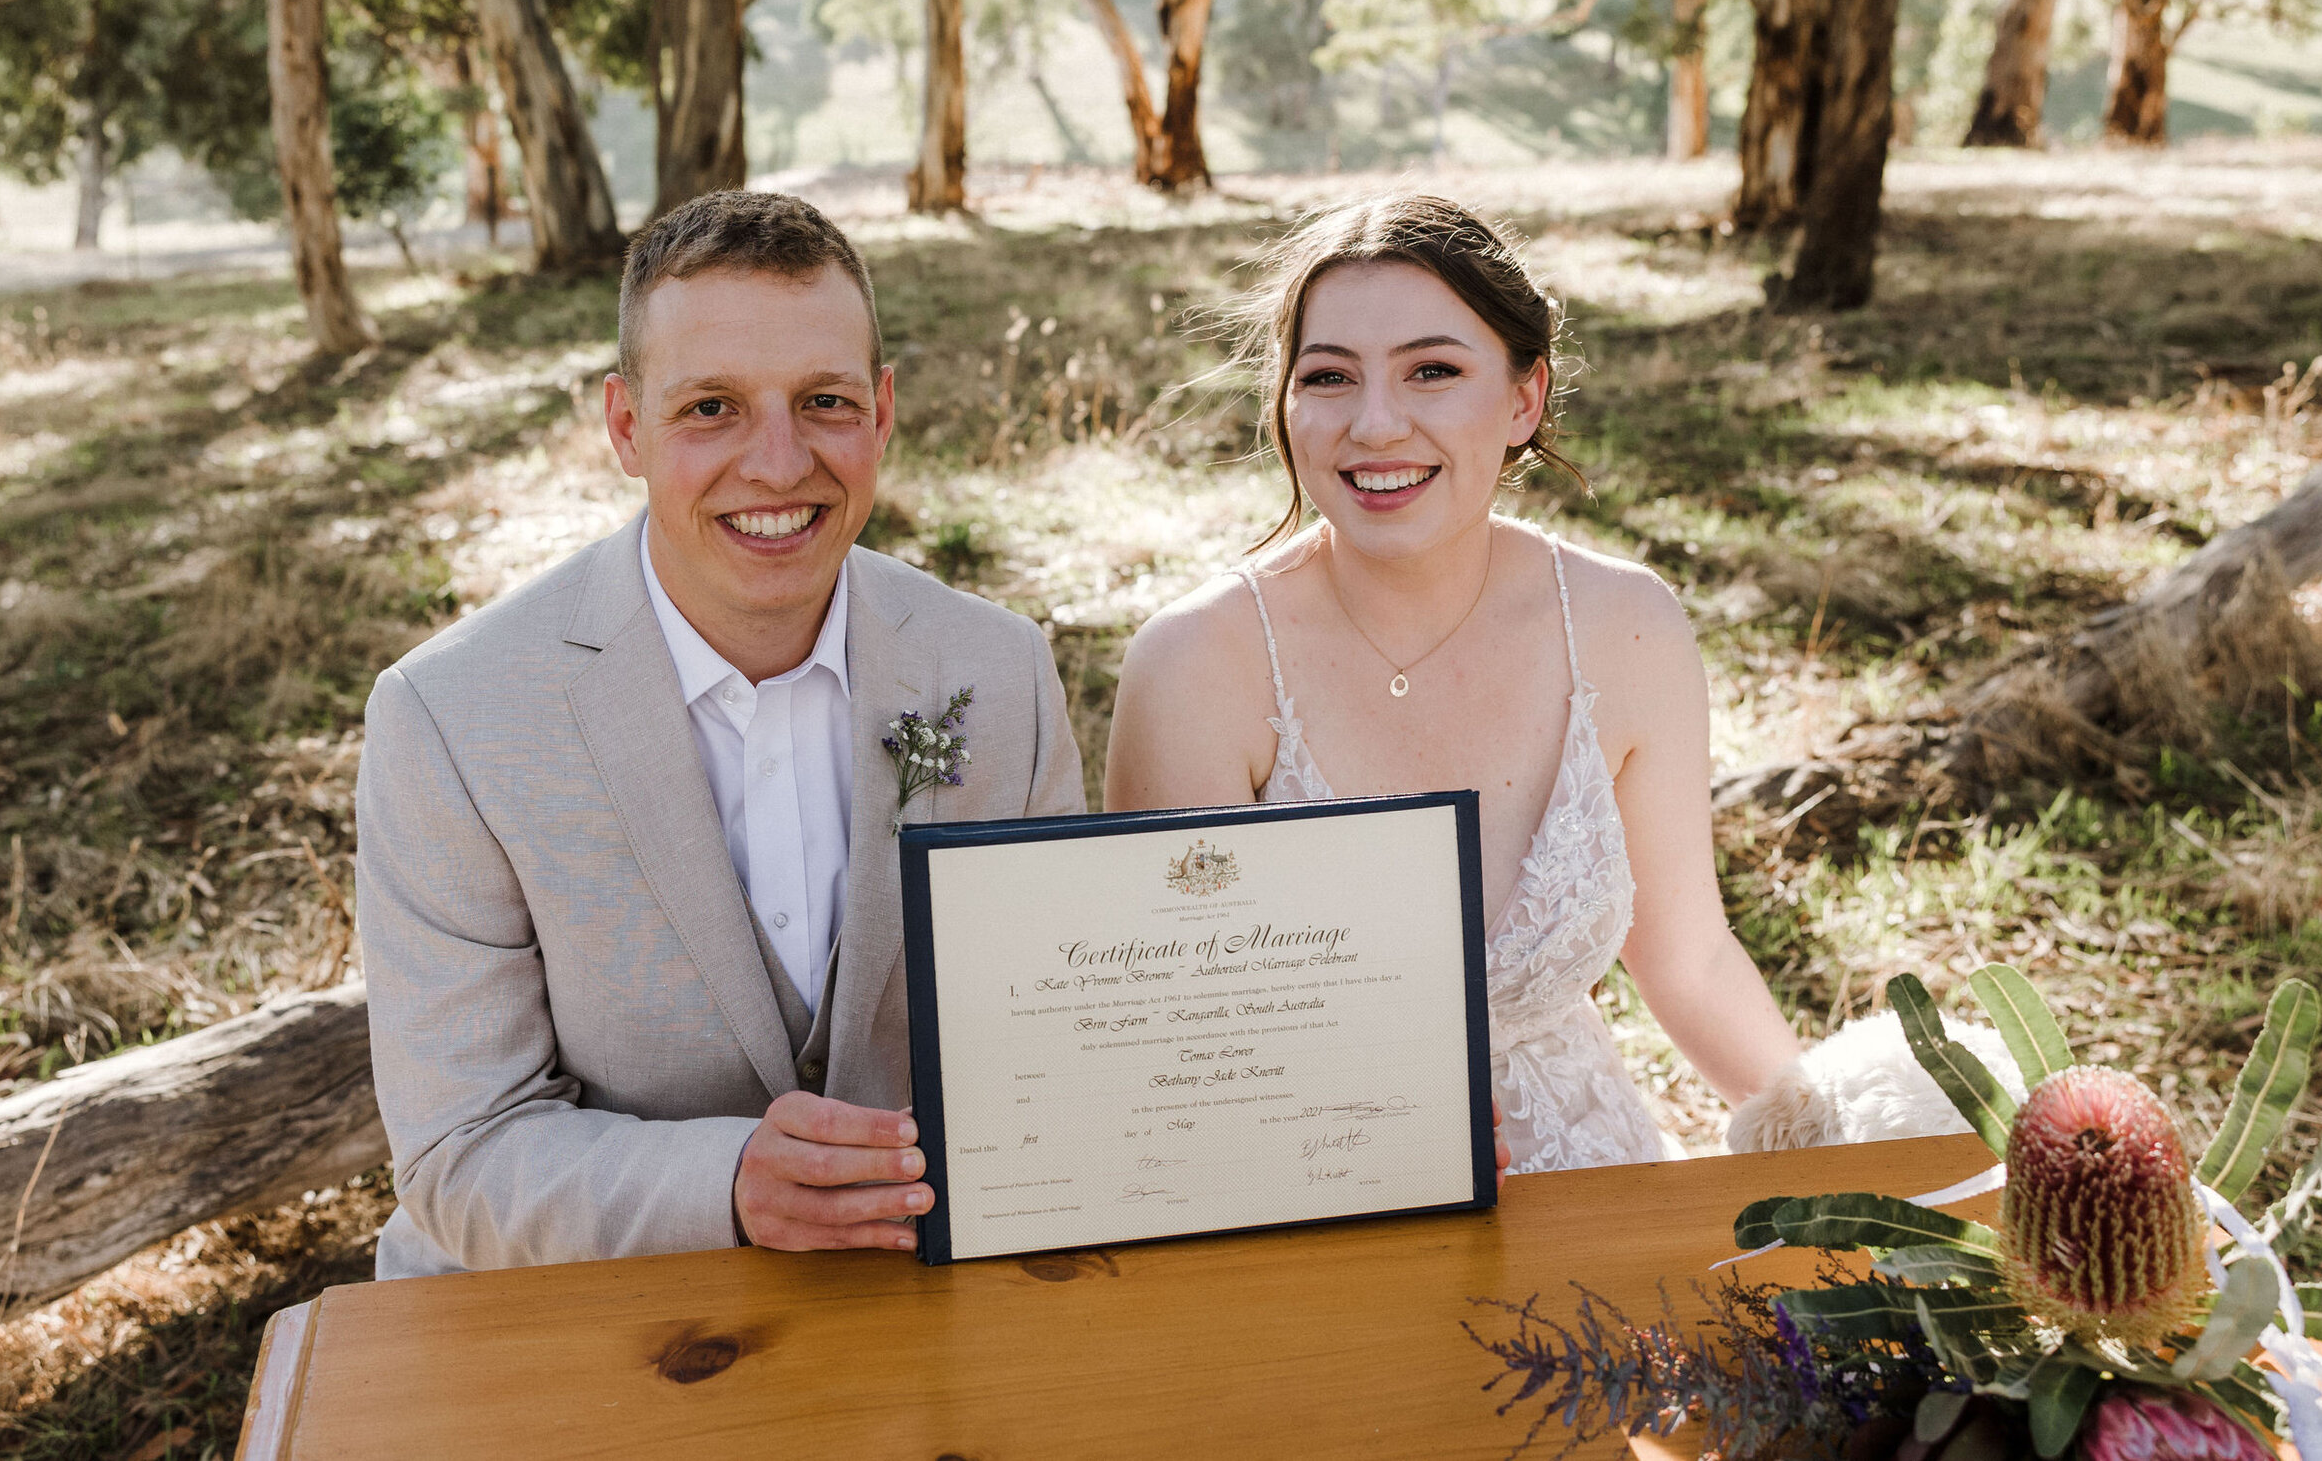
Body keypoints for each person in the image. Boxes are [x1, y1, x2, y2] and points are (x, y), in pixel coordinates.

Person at [356, 191, 1084, 1276]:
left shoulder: (996, 670)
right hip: (571, 1309)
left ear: (881, 412)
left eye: (824, 401)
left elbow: (1051, 1039)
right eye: (712, 408)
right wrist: (729, 1182)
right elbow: (463, 1150)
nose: (780, 462)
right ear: (624, 427)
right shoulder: (451, 718)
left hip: (912, 1282)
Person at [1104, 193, 1803, 1174]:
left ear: (1524, 398)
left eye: (1432, 370)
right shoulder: (1194, 663)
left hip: (1584, 1176)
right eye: (1329, 377)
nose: (1376, 423)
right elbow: (1174, 1045)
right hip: (1297, 1199)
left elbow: (1688, 964)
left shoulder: (1624, 626)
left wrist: (1847, 1159)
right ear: (1286, 406)